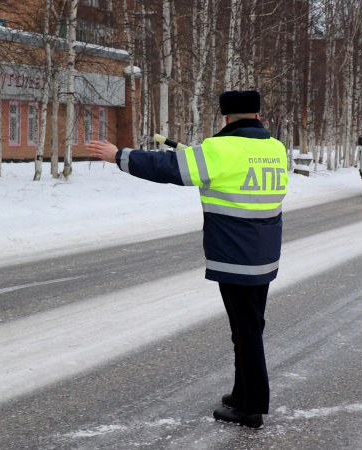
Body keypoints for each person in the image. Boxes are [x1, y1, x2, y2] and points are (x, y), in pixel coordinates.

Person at [85, 90, 288, 428]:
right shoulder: (274, 147)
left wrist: (119, 155)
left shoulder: (221, 149)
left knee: (246, 331)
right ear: (256, 114)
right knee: (250, 327)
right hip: (264, 253)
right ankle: (242, 393)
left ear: (225, 118)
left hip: (235, 256)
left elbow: (167, 166)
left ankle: (251, 407)